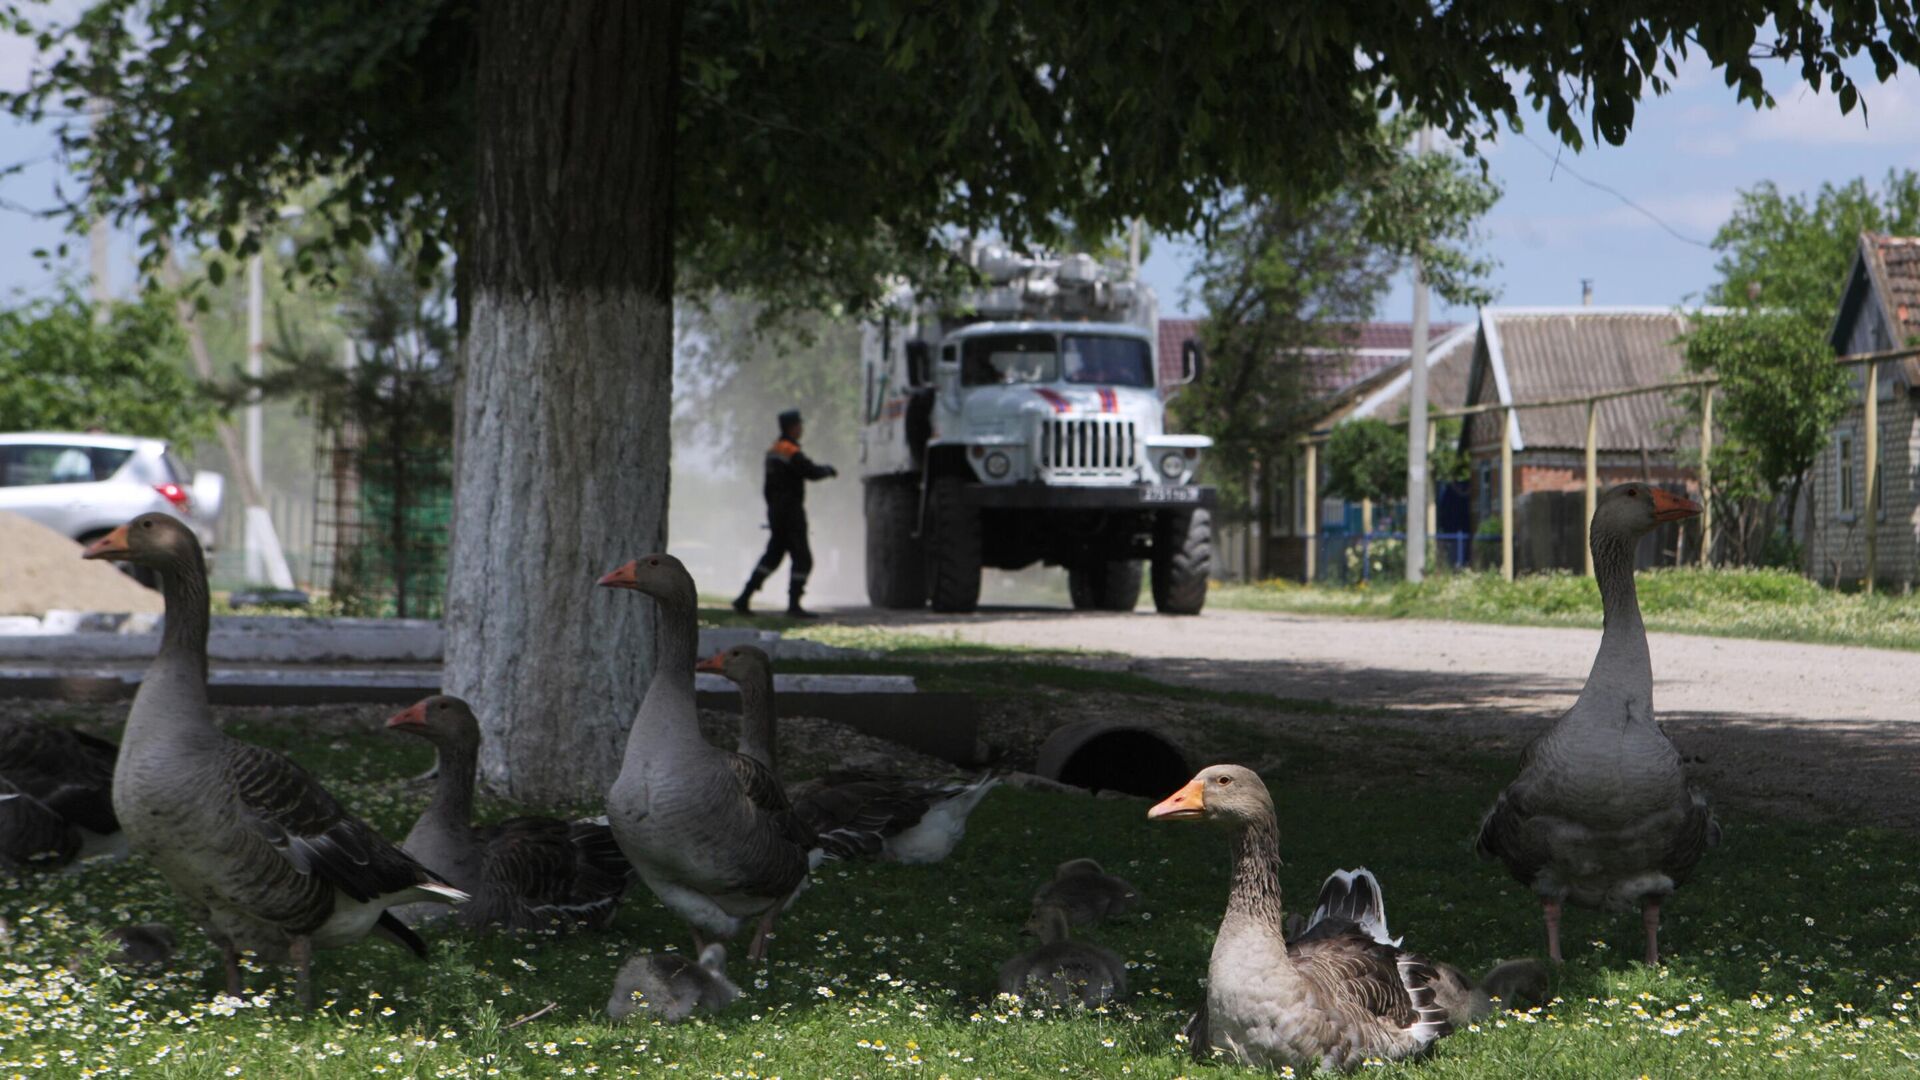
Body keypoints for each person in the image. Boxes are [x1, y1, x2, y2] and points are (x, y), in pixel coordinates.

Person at [733, 409, 836, 617]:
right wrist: (828, 470)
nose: (801, 429)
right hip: (791, 512)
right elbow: (810, 471)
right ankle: (794, 605)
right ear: (793, 427)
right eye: (800, 425)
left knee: (772, 557)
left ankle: (744, 597)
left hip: (776, 512)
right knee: (803, 558)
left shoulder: (774, 450)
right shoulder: (789, 451)